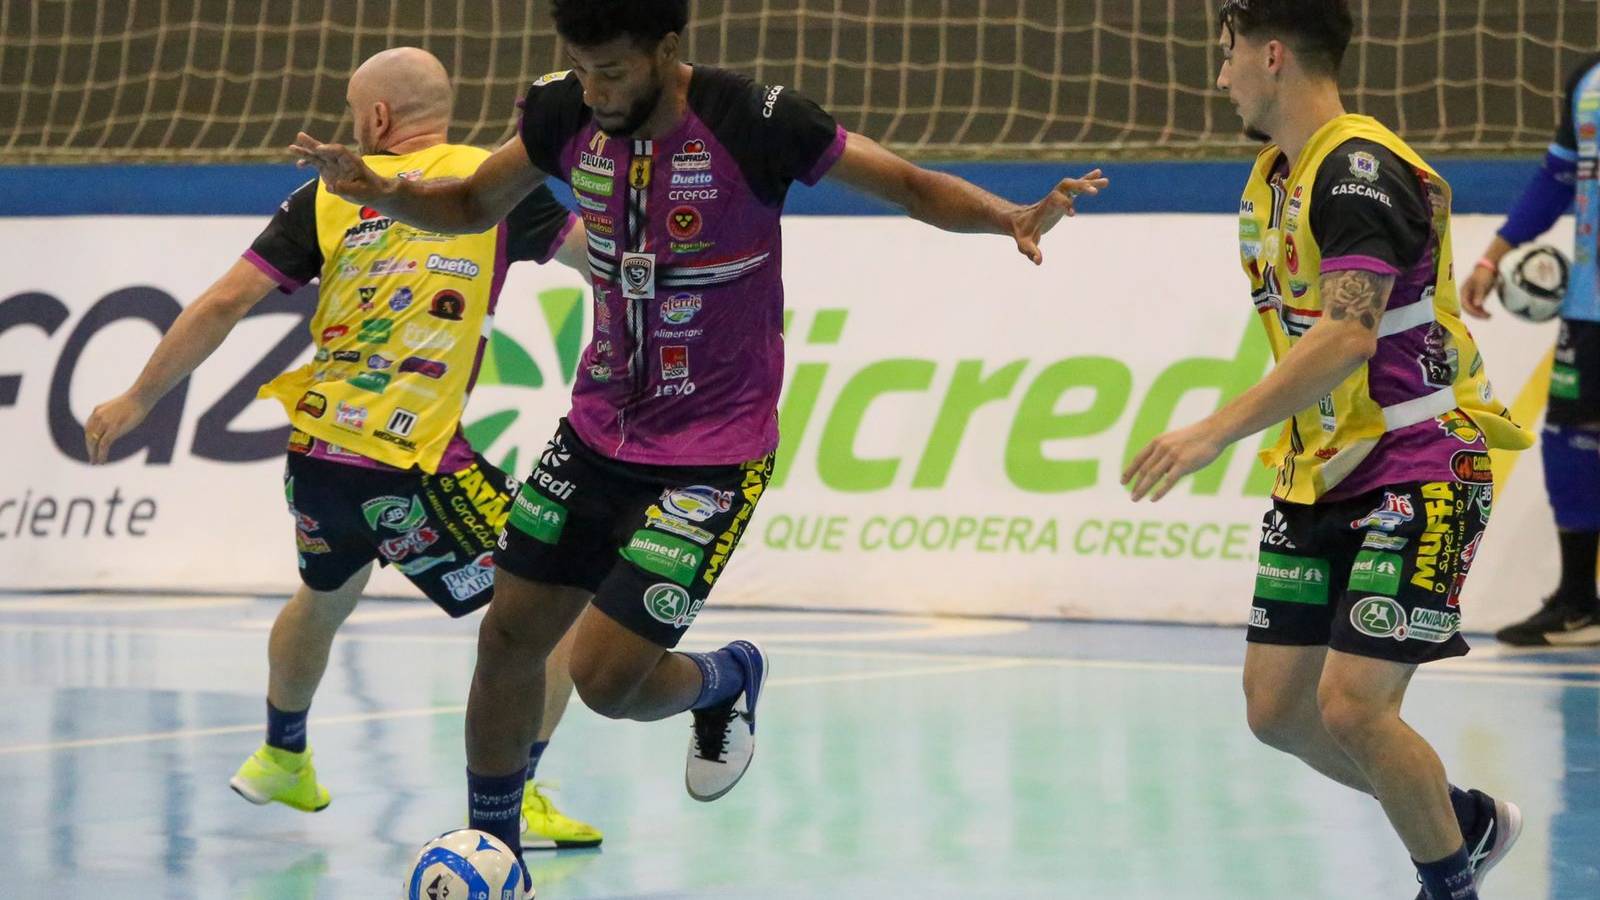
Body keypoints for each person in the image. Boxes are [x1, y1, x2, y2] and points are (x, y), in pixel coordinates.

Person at [289, 0, 1106, 883]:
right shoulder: (562, 110)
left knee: (606, 685)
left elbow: (906, 184)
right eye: (581, 67)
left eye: (614, 71)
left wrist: (1009, 217)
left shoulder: (756, 122)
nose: (595, 90)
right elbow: (471, 201)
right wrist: (389, 192)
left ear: (667, 50)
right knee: (508, 641)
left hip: (712, 457)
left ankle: (722, 681)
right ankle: (499, 857)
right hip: (596, 433)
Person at [84, 47, 603, 851]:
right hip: (417, 463)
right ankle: (518, 796)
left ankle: (282, 753)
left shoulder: (324, 196)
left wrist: (138, 397)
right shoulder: (491, 181)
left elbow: (225, 302)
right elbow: (598, 261)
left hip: (318, 456)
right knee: (552, 619)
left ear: (377, 120)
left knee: (325, 595)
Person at [1122, 3, 1530, 898]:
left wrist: (1211, 430)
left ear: (1272, 55)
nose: (1218, 76)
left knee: (1353, 705)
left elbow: (1349, 337)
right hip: (1322, 473)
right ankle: (1461, 823)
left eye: (1227, 56)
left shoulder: (1358, 170)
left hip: (1421, 463)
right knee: (1278, 712)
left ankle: (1448, 881)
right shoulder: (1276, 179)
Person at [1458, 53, 1600, 647]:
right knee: (1570, 436)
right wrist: (1494, 254)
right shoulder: (1588, 82)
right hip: (1590, 307)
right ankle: (1577, 603)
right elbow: (1559, 177)